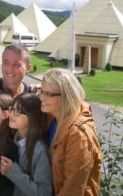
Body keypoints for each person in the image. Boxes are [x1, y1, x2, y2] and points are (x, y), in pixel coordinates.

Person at [39, 68, 103, 196]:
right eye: (41, 91)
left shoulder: (78, 135)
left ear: (67, 96)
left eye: (48, 94)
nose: (41, 98)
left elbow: (72, 191)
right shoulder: (52, 116)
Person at [0, 93, 53, 196]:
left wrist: (12, 172)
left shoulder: (40, 150)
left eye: (18, 112)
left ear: (33, 117)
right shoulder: (14, 140)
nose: (11, 114)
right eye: (11, 109)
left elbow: (43, 193)